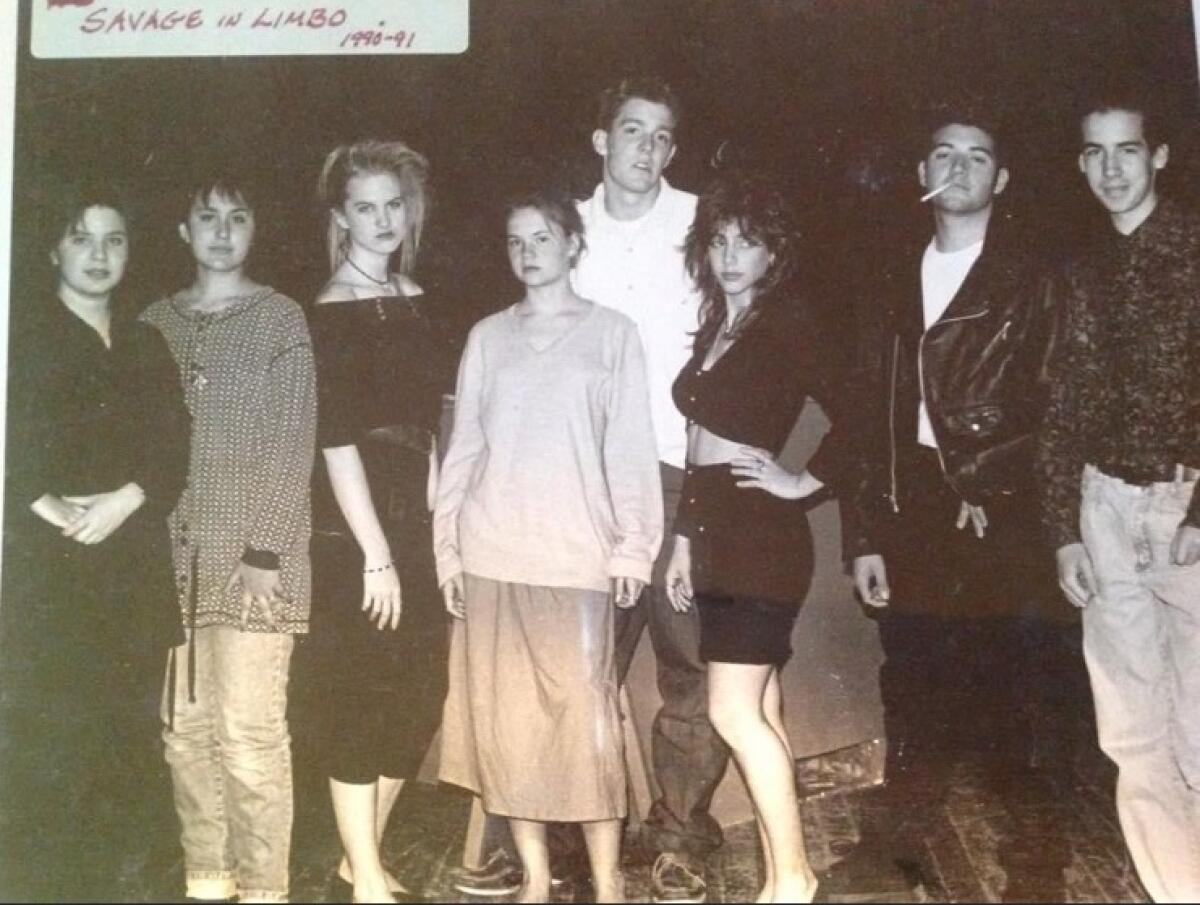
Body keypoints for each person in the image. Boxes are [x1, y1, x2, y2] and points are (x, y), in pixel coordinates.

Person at [837, 101, 1062, 896]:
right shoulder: (890, 279)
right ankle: (893, 858)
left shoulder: (1032, 279)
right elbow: (869, 414)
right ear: (922, 174)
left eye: (977, 154)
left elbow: (1054, 405)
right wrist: (862, 533)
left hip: (1001, 511)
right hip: (913, 510)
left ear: (1000, 178)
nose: (959, 166)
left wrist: (990, 482)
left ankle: (1037, 870)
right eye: (944, 153)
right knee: (913, 683)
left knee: (1011, 698)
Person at [433, 187, 662, 905]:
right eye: (515, 241)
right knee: (509, 730)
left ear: (572, 244)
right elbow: (462, 450)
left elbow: (631, 451)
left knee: (586, 726)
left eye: (542, 238)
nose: (528, 253)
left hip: (578, 560)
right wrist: (447, 552)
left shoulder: (613, 334)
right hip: (492, 553)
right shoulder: (486, 337)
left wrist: (633, 550)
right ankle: (534, 876)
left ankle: (606, 880)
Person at [0, 184, 189, 902]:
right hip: (51, 572)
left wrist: (128, 499)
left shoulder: (145, 339)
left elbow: (174, 441)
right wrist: (55, 512)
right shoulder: (23, 334)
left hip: (133, 565)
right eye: (83, 237)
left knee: (127, 741)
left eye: (114, 239)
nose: (100, 253)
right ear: (54, 248)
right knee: (55, 745)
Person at [661, 171, 846, 903]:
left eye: (749, 241)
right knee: (761, 709)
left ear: (774, 253)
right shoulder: (720, 325)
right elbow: (696, 438)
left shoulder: (787, 322)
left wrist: (806, 478)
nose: (732, 254)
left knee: (731, 709)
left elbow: (853, 406)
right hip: (713, 531)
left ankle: (795, 877)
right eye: (719, 241)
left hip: (761, 538)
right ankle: (779, 875)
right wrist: (680, 538)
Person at [1037, 90, 1200, 903]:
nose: (1111, 167)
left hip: (1184, 509)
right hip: (1103, 510)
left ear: (1159, 156)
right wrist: (1064, 527)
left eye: (1127, 150)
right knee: (1135, 736)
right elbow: (1061, 403)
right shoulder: (1081, 272)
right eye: (1095, 152)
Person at [141, 171, 317, 903]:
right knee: (185, 733)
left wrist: (266, 550)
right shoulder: (155, 321)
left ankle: (266, 890)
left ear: (254, 229)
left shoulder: (281, 319)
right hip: (172, 563)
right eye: (205, 216)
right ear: (184, 230)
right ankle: (209, 882)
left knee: (248, 737)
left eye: (237, 217)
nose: (221, 230)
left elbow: (294, 439)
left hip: (254, 562)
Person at [574, 74, 728, 905]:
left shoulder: (702, 224)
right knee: (578, 664)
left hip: (674, 474)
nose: (649, 150)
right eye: (633, 131)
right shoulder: (566, 230)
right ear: (601, 140)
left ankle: (678, 838)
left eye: (663, 136)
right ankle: (573, 827)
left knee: (691, 664)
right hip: (583, 477)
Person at [308, 140, 451, 904]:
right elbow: (335, 438)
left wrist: (433, 504)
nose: (383, 219)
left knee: (422, 692)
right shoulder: (329, 310)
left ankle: (355, 855)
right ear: (341, 218)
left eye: (394, 203)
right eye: (365, 207)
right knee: (363, 691)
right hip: (358, 519)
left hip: (416, 512)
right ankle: (364, 876)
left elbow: (429, 415)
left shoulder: (413, 292)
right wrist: (375, 552)